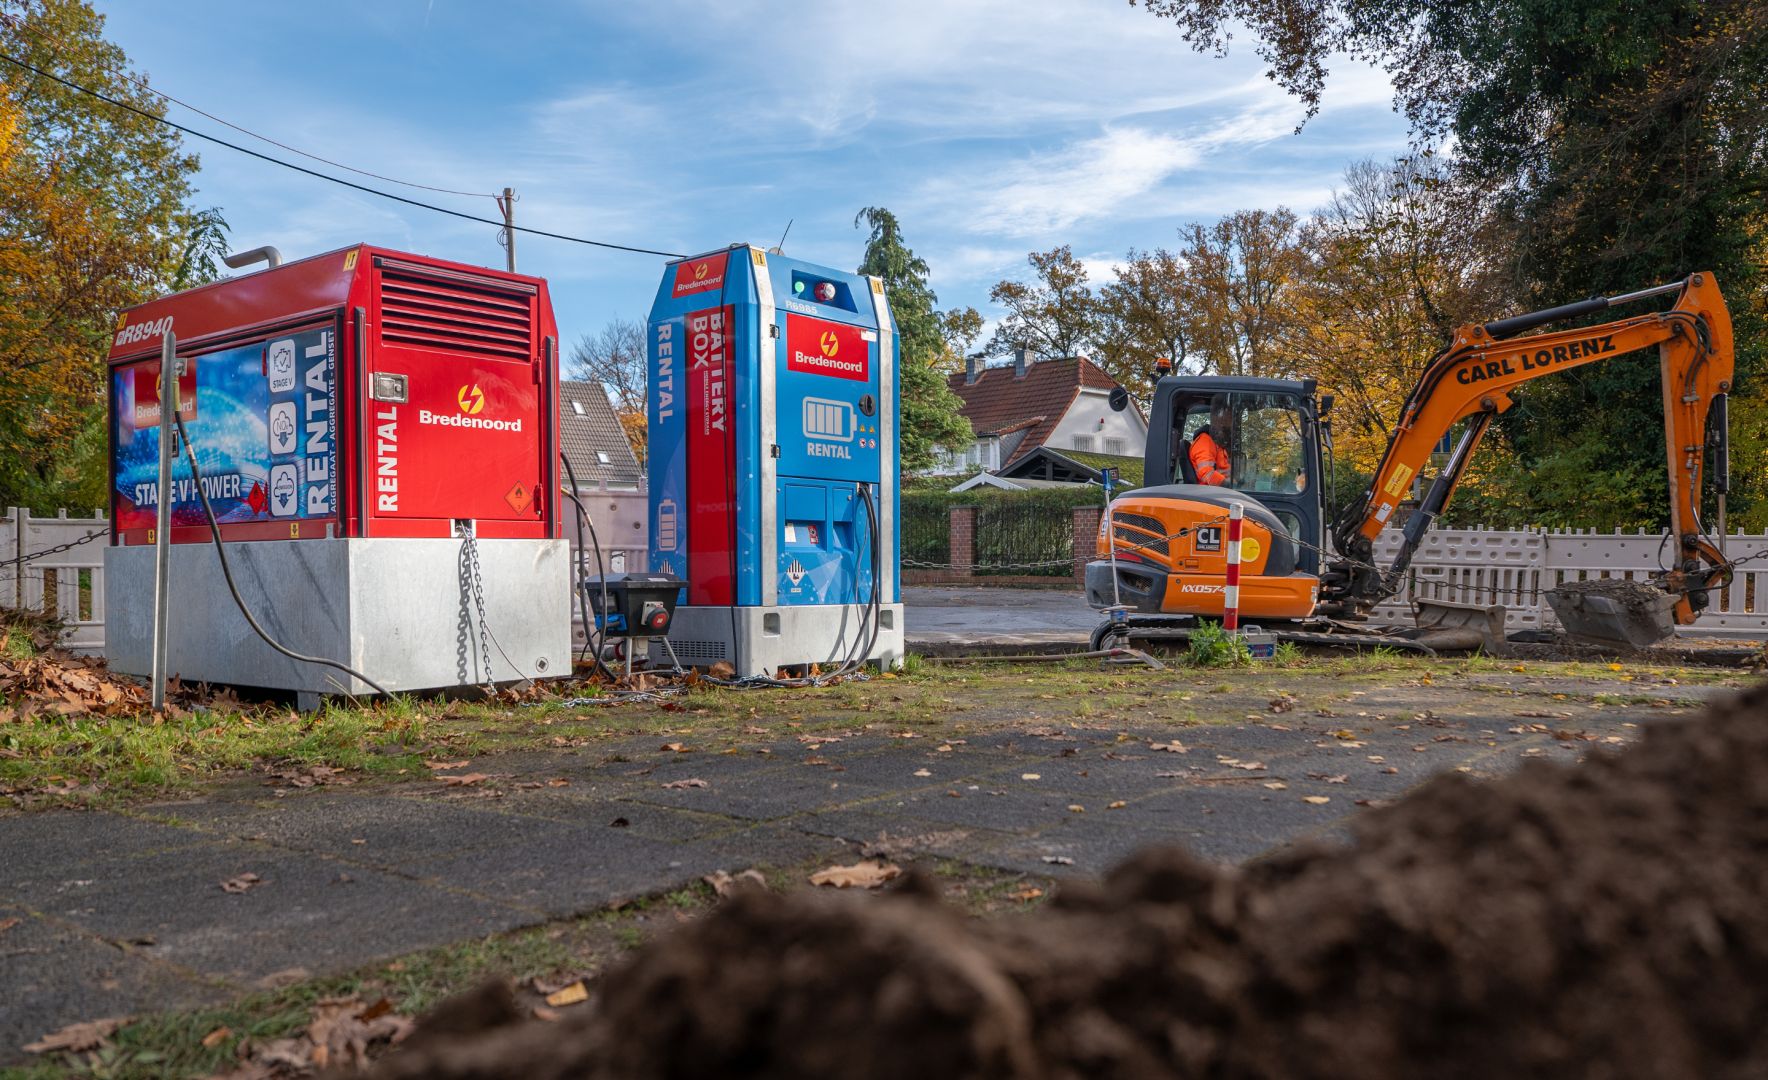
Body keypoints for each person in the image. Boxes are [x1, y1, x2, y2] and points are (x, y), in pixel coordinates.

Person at [1189, 400, 1233, 486]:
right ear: (1220, 417)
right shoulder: (1205, 441)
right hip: (1211, 494)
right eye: (1230, 416)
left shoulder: (1218, 443)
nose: (1231, 422)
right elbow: (1207, 473)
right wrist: (1227, 485)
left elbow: (1224, 471)